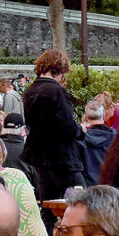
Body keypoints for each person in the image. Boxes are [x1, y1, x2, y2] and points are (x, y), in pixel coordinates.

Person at [22, 49, 86, 202]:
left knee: (48, 204)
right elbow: (66, 126)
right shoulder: (56, 90)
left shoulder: (30, 90)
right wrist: (80, 130)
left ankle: (49, 227)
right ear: (58, 69)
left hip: (39, 155)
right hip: (61, 157)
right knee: (81, 202)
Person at [80, 99, 115, 186]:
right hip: (109, 185)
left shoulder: (80, 137)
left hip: (87, 184)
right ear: (103, 115)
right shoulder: (114, 136)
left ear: (86, 116)